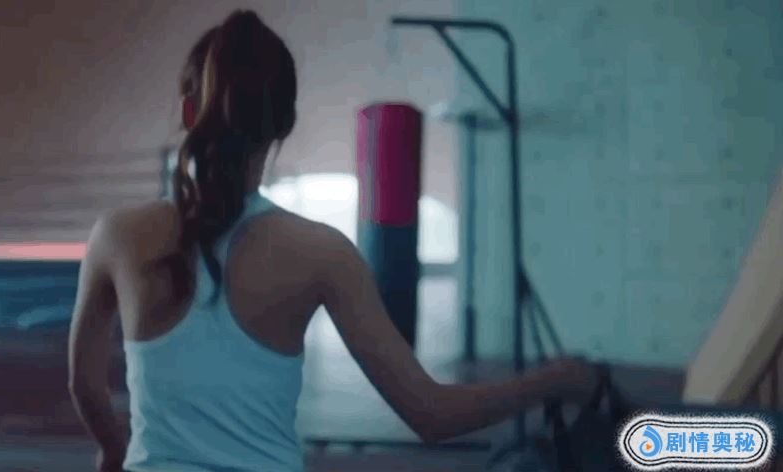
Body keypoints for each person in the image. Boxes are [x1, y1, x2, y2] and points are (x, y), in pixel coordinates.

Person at [67, 9, 600, 472]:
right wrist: (555, 380)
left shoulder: (116, 235)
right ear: (285, 124)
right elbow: (432, 415)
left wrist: (113, 450)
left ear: (189, 112)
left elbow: (84, 385)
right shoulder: (322, 252)